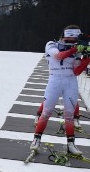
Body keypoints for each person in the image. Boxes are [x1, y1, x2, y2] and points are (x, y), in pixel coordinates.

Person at [30, 25, 90, 156]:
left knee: (69, 115)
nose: (72, 42)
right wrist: (75, 48)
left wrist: (87, 57)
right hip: (55, 80)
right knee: (46, 112)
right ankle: (36, 139)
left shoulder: (77, 50)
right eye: (70, 39)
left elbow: (77, 71)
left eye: (75, 40)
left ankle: (71, 144)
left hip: (70, 82)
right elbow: (58, 56)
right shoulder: (51, 44)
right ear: (63, 36)